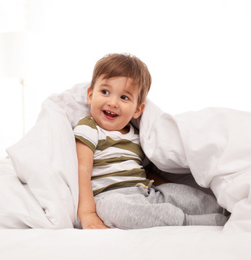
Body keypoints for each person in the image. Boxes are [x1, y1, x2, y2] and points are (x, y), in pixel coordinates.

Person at [74, 53, 228, 229]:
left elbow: (147, 171)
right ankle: (189, 222)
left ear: (137, 110)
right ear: (90, 95)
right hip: (112, 197)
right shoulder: (89, 128)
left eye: (124, 97)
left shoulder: (137, 135)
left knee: (182, 194)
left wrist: (170, 191)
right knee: (112, 208)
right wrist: (87, 214)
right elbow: (82, 169)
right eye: (105, 92)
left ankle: (227, 211)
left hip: (146, 191)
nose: (113, 102)